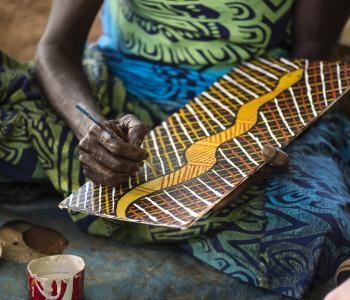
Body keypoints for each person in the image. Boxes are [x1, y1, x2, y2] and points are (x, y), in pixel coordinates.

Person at [1, 0, 350, 298]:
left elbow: (306, 65)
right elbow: (56, 47)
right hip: (110, 93)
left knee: (321, 224)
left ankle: (163, 208)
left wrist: (244, 148)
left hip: (246, 109)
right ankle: (173, 215)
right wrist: (92, 130)